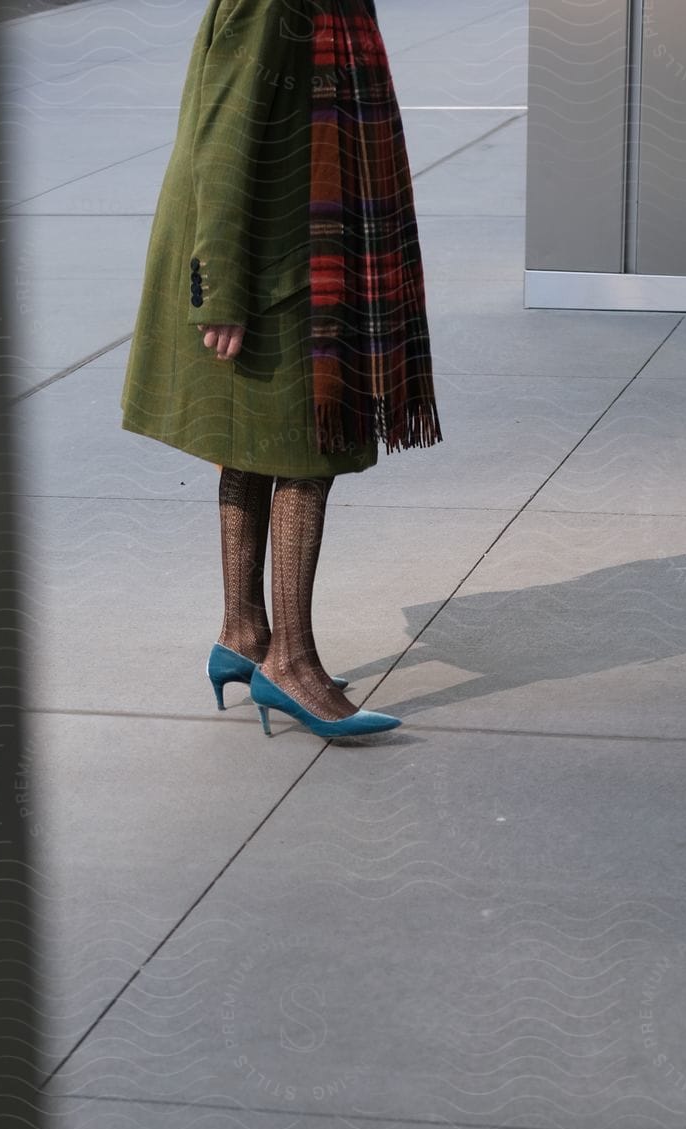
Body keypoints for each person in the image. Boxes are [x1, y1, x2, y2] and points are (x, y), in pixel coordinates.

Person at [120, 0, 442, 740]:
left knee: (253, 440)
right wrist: (221, 285)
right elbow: (222, 129)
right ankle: (289, 663)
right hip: (266, 261)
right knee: (305, 449)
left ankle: (242, 630)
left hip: (287, 245)